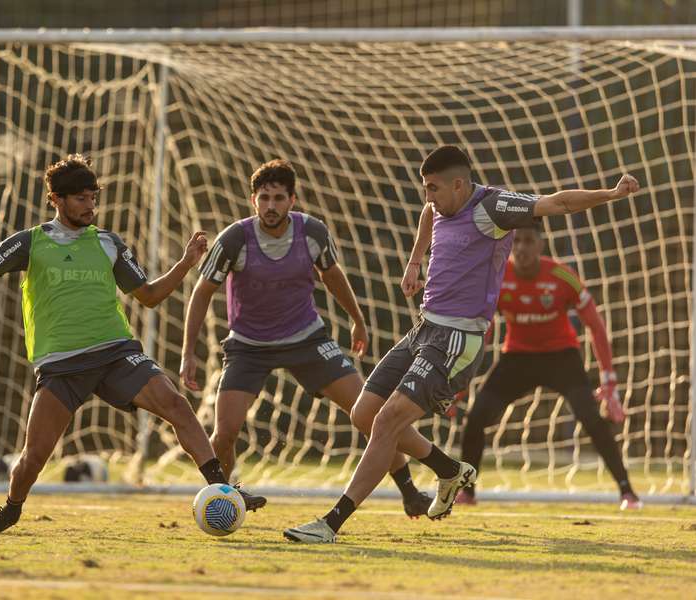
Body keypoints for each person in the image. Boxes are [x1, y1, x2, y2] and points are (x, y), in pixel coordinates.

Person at [0, 154, 264, 533]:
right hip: (61, 365)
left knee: (176, 404)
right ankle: (12, 509)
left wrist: (184, 263)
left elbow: (148, 296)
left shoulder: (108, 243)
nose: (90, 206)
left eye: (93, 197)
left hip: (116, 352)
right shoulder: (30, 242)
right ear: (57, 199)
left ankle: (224, 487)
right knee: (34, 457)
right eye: (81, 199)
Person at [283, 145, 640, 543]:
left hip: (458, 338)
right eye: (425, 188)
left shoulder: (495, 207)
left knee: (386, 422)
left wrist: (610, 193)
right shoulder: (438, 206)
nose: (428, 197)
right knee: (364, 413)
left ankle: (330, 523)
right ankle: (450, 470)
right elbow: (427, 216)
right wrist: (415, 261)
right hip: (425, 328)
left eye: (433, 188)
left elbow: (557, 203)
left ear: (459, 184)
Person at [180, 159, 431, 518]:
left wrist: (357, 319)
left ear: (292, 200)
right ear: (253, 200)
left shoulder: (312, 232)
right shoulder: (234, 238)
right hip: (248, 346)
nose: (270, 206)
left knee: (369, 414)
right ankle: (226, 494)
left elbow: (332, 276)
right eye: (263, 198)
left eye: (278, 198)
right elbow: (202, 292)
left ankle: (409, 492)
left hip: (308, 340)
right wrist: (189, 351)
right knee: (225, 432)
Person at [454, 225, 641, 510]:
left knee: (591, 418)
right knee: (476, 417)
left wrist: (609, 380)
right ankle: (467, 492)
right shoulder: (498, 276)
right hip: (517, 358)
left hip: (561, 358)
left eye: (529, 241)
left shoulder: (562, 276)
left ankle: (627, 491)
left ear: (541, 245)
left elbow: (595, 325)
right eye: (516, 241)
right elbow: (485, 331)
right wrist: (463, 377)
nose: (521, 248)